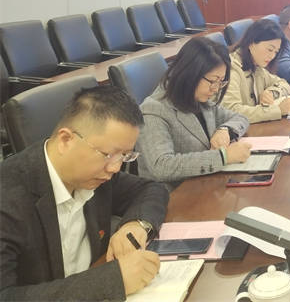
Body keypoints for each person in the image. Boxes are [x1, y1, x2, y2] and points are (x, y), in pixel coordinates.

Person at [0, 85, 169, 300]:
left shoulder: (98, 174)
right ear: (65, 140)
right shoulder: (9, 198)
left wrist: (136, 225)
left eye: (125, 156)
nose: (115, 168)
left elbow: (151, 189)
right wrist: (112, 280)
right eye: (108, 154)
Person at [137, 37, 251, 188]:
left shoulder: (199, 99)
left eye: (221, 81)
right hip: (174, 194)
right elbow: (161, 165)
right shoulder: (153, 109)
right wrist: (223, 157)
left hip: (205, 184)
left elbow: (241, 118)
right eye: (213, 81)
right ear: (190, 73)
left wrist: (225, 130)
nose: (216, 89)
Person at [221, 19, 290, 122]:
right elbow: (232, 111)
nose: (272, 56)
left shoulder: (257, 65)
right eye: (270, 49)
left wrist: (271, 93)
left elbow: (283, 83)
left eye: (276, 52)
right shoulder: (231, 70)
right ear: (251, 43)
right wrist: (277, 110)